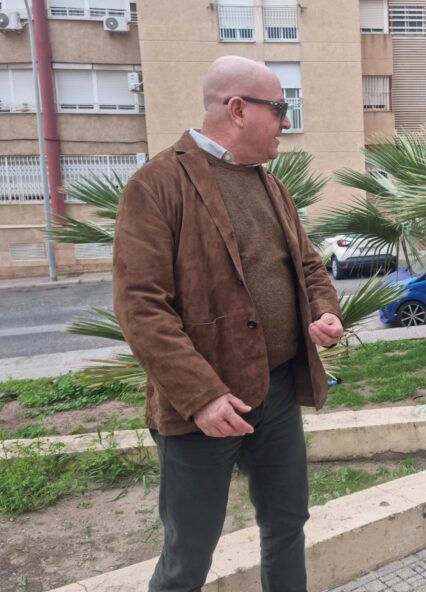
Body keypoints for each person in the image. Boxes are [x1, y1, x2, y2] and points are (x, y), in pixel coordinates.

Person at [112, 56, 343, 592]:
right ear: (237, 109)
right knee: (187, 556)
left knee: (287, 525)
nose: (286, 121)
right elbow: (141, 305)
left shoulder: (270, 184)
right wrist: (201, 397)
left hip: (279, 393)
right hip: (204, 411)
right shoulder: (157, 184)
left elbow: (308, 264)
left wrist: (324, 310)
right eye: (280, 108)